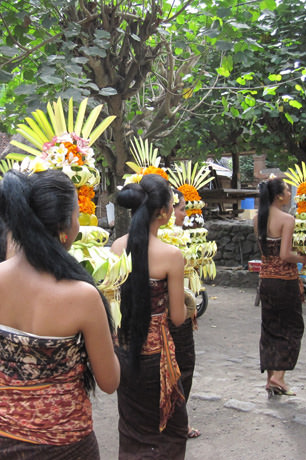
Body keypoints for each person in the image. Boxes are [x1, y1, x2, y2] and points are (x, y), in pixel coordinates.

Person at [0, 169, 120, 459]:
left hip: (1, 436)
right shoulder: (82, 295)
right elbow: (109, 381)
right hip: (64, 442)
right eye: (78, 214)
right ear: (65, 225)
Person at [111, 173, 188, 460]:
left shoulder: (117, 247)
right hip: (157, 358)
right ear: (165, 211)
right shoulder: (171, 256)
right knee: (172, 430)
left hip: (124, 350)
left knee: (132, 430)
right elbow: (178, 318)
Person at [254, 177, 306, 397]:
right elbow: (285, 255)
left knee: (270, 329)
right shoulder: (287, 219)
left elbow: (265, 253)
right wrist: (304, 258)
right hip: (284, 282)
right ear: (278, 196)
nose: (289, 193)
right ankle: (279, 377)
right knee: (292, 328)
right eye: (287, 190)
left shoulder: (258, 218)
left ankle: (270, 379)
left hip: (266, 280)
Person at [169, 190, 200, 439]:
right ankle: (177, 422)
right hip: (173, 319)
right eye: (181, 209)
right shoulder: (169, 249)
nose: (184, 214)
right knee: (182, 368)